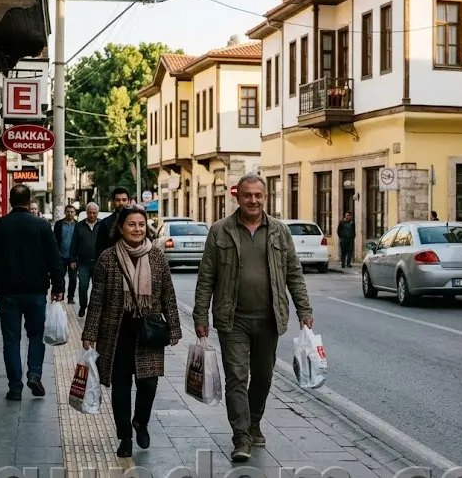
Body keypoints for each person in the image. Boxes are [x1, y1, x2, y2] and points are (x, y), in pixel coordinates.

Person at [193, 174, 314, 462]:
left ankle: (254, 421)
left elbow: (294, 273)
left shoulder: (279, 232)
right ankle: (241, 436)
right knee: (236, 376)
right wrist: (200, 315)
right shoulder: (220, 231)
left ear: (265, 197)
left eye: (258, 195)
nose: (253, 200)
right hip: (232, 318)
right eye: (247, 195)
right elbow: (206, 276)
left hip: (269, 318)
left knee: (263, 376)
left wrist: (304, 310)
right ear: (238, 197)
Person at [81, 206, 182, 459]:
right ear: (121, 228)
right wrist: (89, 333)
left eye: (141, 224)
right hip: (116, 332)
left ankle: (141, 421)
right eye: (131, 224)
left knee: (148, 384)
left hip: (149, 331)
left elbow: (168, 295)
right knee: (120, 388)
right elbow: (97, 299)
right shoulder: (108, 258)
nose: (137, 229)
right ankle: (124, 437)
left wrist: (174, 328)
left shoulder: (157, 257)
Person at [0, 184, 65, 400]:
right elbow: (54, 258)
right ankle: (34, 374)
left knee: (11, 339)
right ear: (29, 202)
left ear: (10, 201)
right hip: (36, 291)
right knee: (36, 335)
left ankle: (15, 387)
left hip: (7, 292)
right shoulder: (41, 226)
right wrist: (58, 287)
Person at [74, 202, 101, 317]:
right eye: (89, 213)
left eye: (94, 213)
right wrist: (72, 259)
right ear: (86, 213)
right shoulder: (79, 226)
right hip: (83, 263)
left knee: (98, 288)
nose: (92, 215)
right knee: (83, 286)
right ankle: (83, 306)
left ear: (97, 213)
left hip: (98, 262)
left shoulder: (102, 225)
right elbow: (74, 243)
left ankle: (95, 309)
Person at [54, 205, 81, 304]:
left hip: (73, 257)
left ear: (75, 213)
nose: (70, 213)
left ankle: (70, 298)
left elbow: (79, 242)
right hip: (61, 255)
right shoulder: (59, 224)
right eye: (68, 211)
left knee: (73, 278)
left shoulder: (78, 225)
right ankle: (61, 296)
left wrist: (76, 257)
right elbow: (54, 239)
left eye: (72, 212)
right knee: (60, 278)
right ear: (65, 212)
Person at [96, 187, 132, 258]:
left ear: (129, 201)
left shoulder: (137, 221)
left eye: (124, 200)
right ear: (113, 202)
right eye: (118, 200)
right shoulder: (105, 223)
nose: (121, 203)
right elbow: (99, 249)